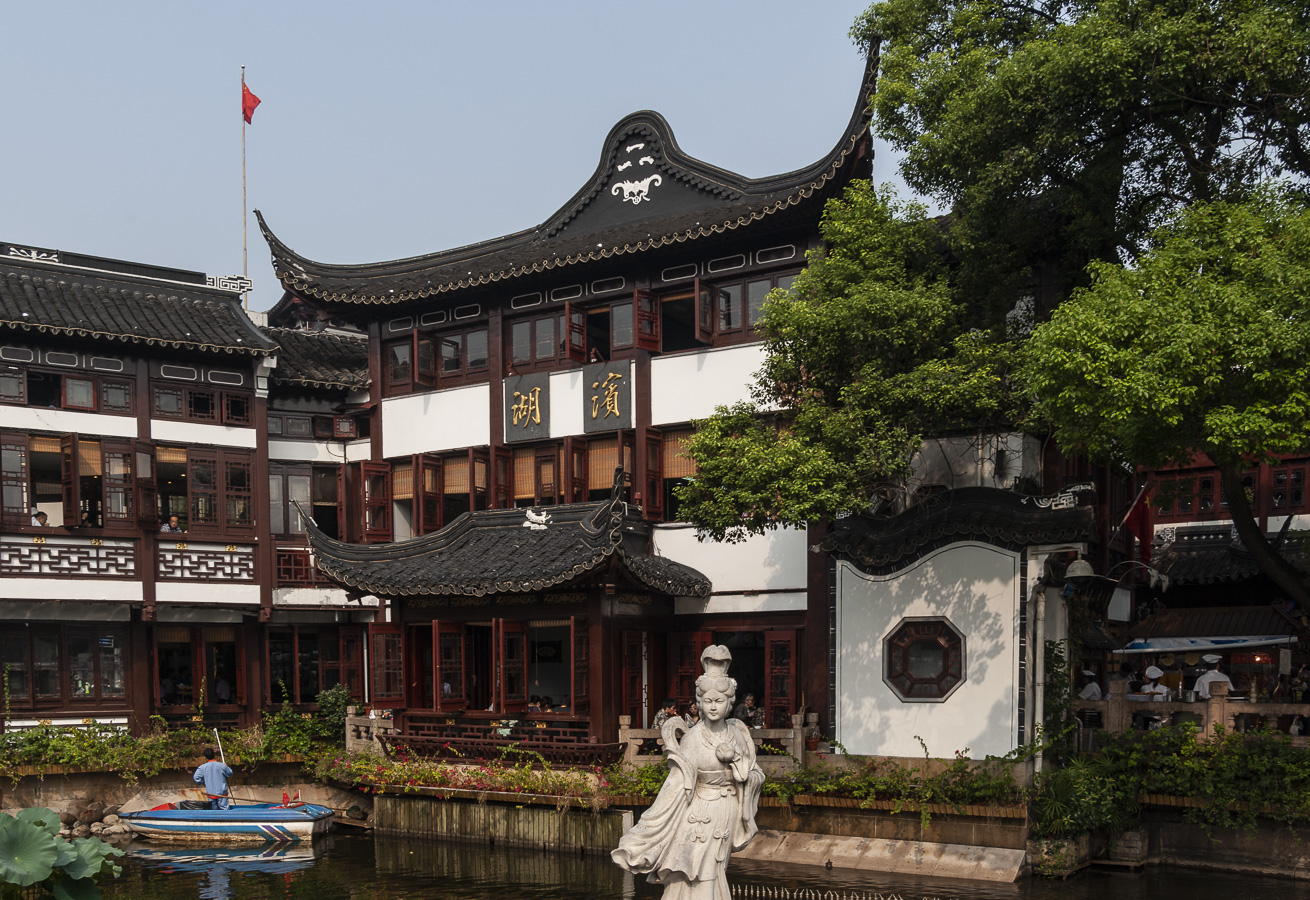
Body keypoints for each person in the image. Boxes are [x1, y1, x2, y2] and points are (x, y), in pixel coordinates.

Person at [612, 645, 764, 899]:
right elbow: (675, 786)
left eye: (719, 701)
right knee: (696, 869)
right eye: (708, 701)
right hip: (699, 813)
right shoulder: (693, 739)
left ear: (729, 703)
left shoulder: (738, 732)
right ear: (699, 704)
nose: (713, 707)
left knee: (716, 868)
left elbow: (755, 774)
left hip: (727, 810)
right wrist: (645, 831)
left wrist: (737, 759)